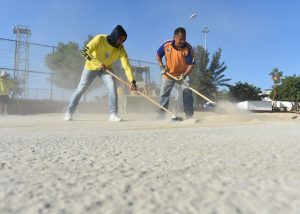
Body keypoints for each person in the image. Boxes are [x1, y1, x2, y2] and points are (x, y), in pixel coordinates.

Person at [64, 25, 137, 122]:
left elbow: (126, 66)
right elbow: (85, 52)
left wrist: (132, 81)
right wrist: (98, 63)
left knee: (112, 88)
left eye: (123, 40)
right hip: (90, 67)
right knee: (80, 89)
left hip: (106, 69)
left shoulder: (120, 49)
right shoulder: (100, 38)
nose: (121, 42)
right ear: (115, 35)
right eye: (120, 39)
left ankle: (113, 114)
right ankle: (69, 112)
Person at [156, 27, 195, 119]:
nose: (183, 41)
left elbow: (191, 64)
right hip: (169, 74)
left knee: (187, 92)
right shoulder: (166, 45)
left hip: (183, 74)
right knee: (164, 94)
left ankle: (189, 115)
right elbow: (158, 55)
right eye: (181, 39)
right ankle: (161, 114)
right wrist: (161, 66)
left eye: (184, 39)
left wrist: (184, 75)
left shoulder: (188, 48)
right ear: (174, 37)